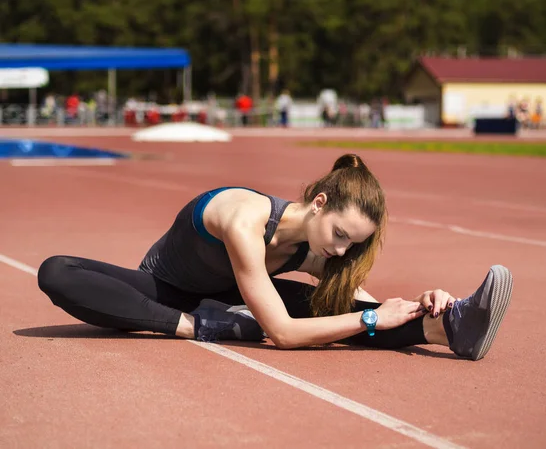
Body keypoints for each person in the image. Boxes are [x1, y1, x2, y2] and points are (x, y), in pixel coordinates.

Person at [37, 154, 513, 360]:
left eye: (353, 245)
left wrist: (416, 306)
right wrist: (369, 322)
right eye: (341, 235)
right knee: (56, 272)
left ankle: (450, 329)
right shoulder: (244, 220)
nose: (341, 251)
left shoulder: (319, 246)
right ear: (320, 203)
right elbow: (283, 334)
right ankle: (195, 325)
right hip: (163, 293)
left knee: (346, 313)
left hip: (234, 298)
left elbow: (359, 306)